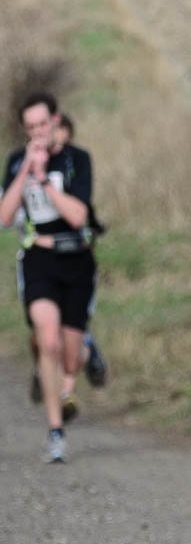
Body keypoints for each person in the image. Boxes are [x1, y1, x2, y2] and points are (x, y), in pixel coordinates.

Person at [0, 92, 97, 461]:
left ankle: (84, 351)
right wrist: (25, 169)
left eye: (42, 124)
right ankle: (56, 432)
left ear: (55, 121)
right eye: (30, 127)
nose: (37, 132)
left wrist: (43, 181)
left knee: (70, 359)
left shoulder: (77, 159)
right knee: (48, 339)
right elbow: (5, 217)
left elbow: (78, 216)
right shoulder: (16, 161)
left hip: (76, 259)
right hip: (38, 259)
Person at [27, 113, 108, 407]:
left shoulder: (75, 167)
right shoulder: (28, 167)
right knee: (45, 334)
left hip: (76, 265)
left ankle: (66, 390)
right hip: (41, 263)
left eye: (62, 132)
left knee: (68, 335)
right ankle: (44, 370)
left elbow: (86, 218)